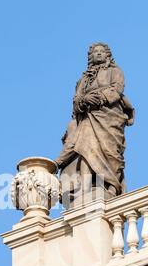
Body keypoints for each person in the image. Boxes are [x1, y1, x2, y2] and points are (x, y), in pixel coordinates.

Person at [55, 42, 134, 206]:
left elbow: (116, 90)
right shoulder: (84, 79)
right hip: (88, 115)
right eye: (95, 52)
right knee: (84, 146)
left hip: (109, 115)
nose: (98, 54)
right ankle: (84, 187)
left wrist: (99, 98)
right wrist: (84, 100)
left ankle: (111, 185)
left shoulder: (115, 71)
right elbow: (76, 101)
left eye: (101, 51)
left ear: (107, 55)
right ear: (91, 57)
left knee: (110, 151)